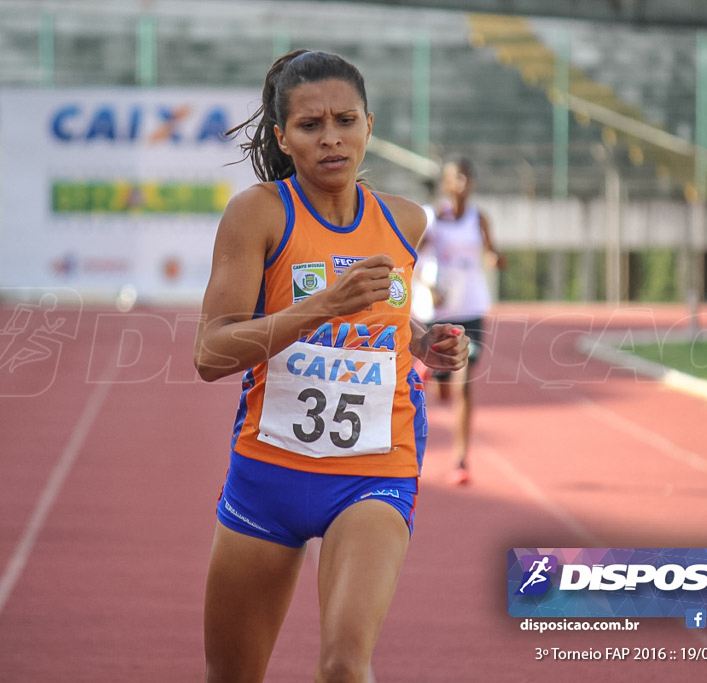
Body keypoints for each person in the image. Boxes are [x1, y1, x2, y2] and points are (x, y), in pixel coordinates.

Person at [193, 50, 469, 683]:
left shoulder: (404, 222)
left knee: (346, 665)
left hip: (375, 471)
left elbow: (381, 319)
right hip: (270, 473)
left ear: (369, 125)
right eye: (311, 125)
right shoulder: (259, 214)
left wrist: (423, 343)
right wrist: (319, 308)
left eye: (345, 120)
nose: (331, 138)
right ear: (282, 136)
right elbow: (211, 354)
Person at [420, 158, 505, 486]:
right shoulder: (432, 218)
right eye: (457, 177)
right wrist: (429, 286)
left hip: (471, 308)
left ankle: (460, 460)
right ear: (446, 183)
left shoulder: (478, 218)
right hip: (439, 312)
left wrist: (496, 259)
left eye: (468, 176)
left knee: (464, 381)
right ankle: (430, 371)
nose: (464, 182)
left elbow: (491, 251)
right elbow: (412, 258)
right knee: (443, 390)